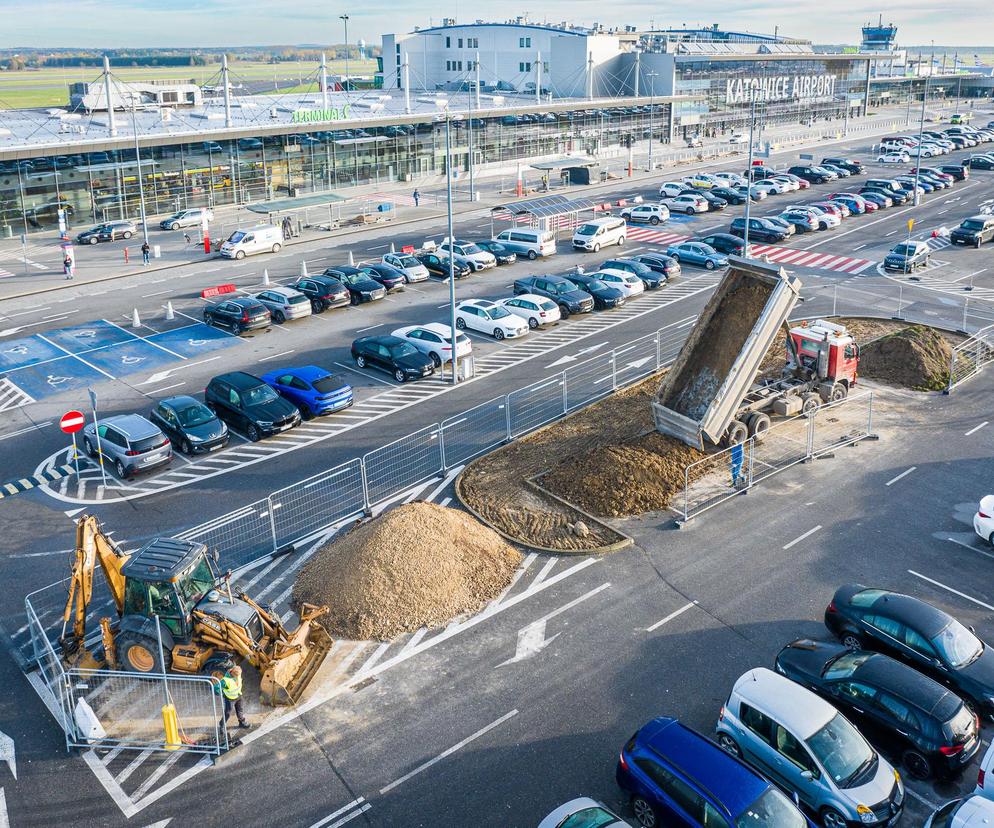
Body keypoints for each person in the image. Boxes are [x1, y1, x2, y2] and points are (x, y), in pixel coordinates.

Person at [217, 665, 248, 730]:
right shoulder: (225, 681)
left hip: (238, 696)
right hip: (230, 699)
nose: (238, 676)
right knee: (227, 713)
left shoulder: (237, 673)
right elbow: (216, 688)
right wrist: (220, 692)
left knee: (240, 710)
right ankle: (222, 725)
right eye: (237, 675)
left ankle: (242, 723)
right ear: (233, 674)